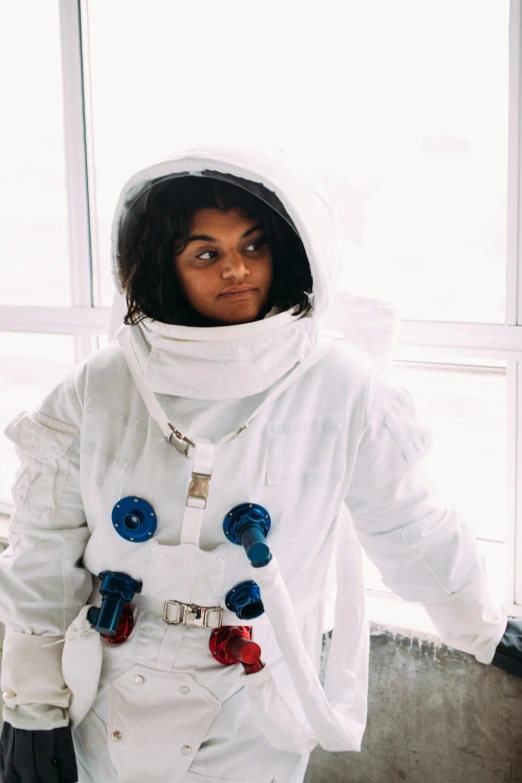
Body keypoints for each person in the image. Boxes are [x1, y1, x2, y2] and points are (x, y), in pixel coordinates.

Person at [0, 144, 520, 783]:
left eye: (253, 246)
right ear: (165, 266)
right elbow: (43, 548)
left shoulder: (341, 388)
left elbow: (412, 528)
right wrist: (31, 705)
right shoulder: (102, 385)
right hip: (104, 696)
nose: (237, 270)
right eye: (207, 253)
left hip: (254, 703)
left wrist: (483, 628)